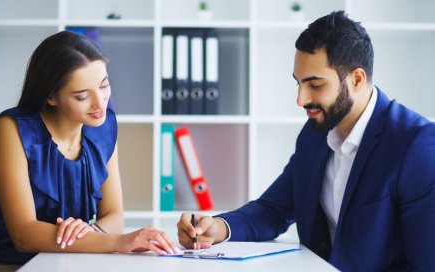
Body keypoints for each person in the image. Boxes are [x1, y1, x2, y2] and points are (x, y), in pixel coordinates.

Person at [177, 10, 435, 271]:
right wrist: (218, 227)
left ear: (356, 79)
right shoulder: (315, 134)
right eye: (299, 83)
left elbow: (425, 265)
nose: (301, 100)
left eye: (315, 85)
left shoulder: (417, 146)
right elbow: (273, 209)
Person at [0, 31, 180, 269]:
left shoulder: (103, 126)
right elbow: (24, 235)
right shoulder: (11, 129)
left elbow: (114, 216)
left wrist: (89, 231)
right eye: (82, 96)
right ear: (51, 97)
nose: (100, 102)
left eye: (104, 85)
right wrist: (118, 242)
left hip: (64, 258)